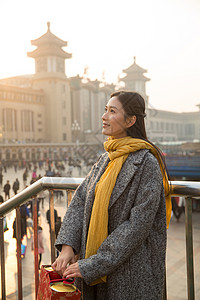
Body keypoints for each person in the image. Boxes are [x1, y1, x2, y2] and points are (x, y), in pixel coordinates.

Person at [52, 91, 171, 300]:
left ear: (131, 120)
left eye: (112, 111)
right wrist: (67, 247)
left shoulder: (147, 163)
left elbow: (137, 226)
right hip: (95, 270)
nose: (104, 116)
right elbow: (80, 200)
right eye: (105, 109)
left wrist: (93, 264)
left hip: (131, 273)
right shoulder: (106, 159)